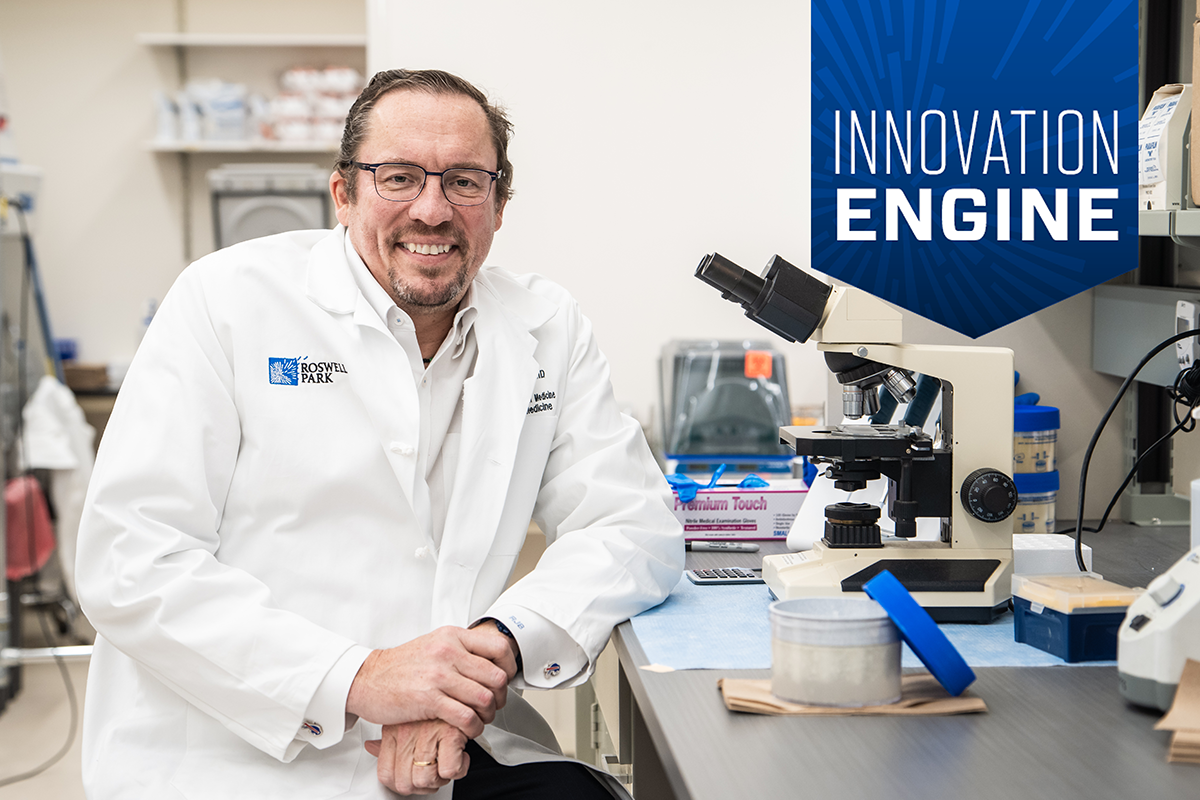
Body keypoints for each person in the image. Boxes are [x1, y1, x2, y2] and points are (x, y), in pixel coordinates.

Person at [75, 68, 683, 799]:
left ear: (497, 203)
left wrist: (495, 648)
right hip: (237, 754)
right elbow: (132, 560)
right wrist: (361, 680)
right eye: (398, 177)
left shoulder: (545, 324)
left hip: (450, 742)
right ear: (343, 192)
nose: (432, 209)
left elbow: (632, 523)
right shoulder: (227, 301)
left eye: (464, 180)